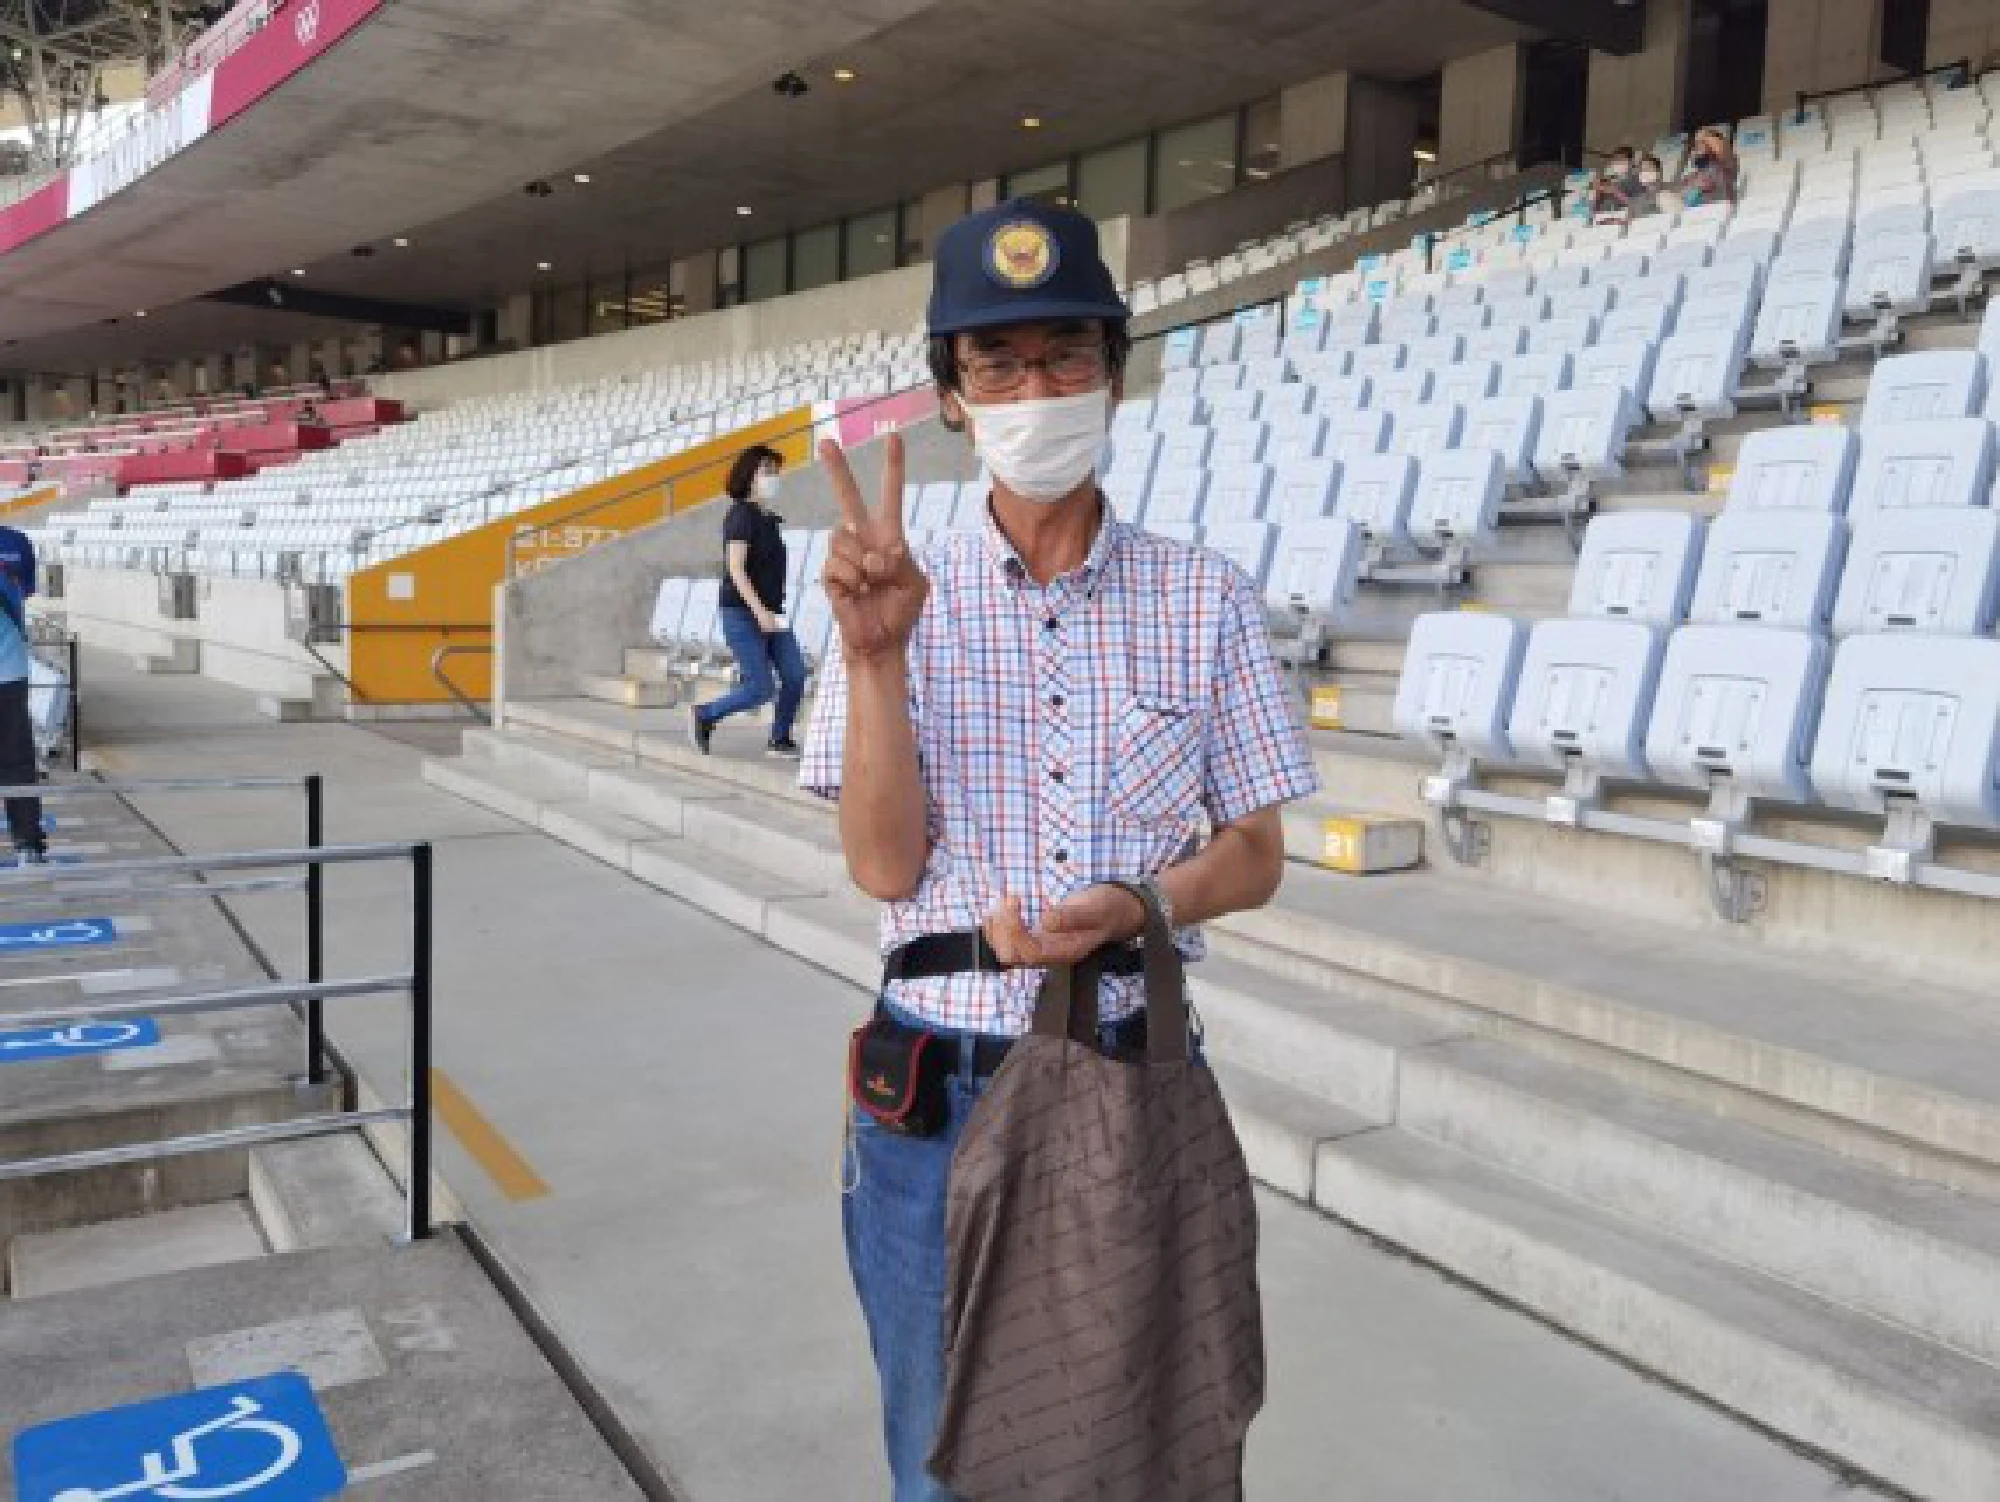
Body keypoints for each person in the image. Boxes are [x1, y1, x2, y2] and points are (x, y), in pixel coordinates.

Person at [800, 199, 1319, 1500]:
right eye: (998, 363)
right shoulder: (888, 587)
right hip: (932, 1085)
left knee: (1139, 1446)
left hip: (1121, 1075)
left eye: (1065, 356)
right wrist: (875, 660)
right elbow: (882, 865)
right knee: (942, 1456)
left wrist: (1139, 899)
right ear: (956, 399)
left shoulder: (1204, 597)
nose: (1037, 388)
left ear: (1115, 375)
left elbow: (1253, 851)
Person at [688, 444, 807, 758]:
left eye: (775, 471)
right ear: (749, 476)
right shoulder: (741, 515)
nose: (774, 477)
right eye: (766, 471)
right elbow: (736, 569)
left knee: (795, 675)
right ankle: (705, 714)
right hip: (742, 613)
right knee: (760, 687)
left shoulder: (768, 519)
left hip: (771, 611)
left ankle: (779, 738)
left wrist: (770, 612)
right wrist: (759, 611)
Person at [0, 536, 46, 866]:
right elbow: (24, 591)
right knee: (16, 760)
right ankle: (27, 842)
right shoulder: (17, 542)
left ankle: (28, 840)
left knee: (17, 759)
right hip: (11, 668)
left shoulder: (17, 542)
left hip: (10, 667)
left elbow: (24, 591)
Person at [1676, 126, 1739, 207]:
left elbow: (1723, 153)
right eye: (1696, 144)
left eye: (1703, 142)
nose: (1698, 146)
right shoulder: (1691, 177)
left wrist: (1705, 136)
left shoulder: (1724, 166)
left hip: (1717, 208)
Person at [1590, 145, 1640, 219]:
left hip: (1623, 213)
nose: (1616, 163)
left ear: (1631, 163)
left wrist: (1614, 191)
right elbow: (1597, 202)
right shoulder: (1613, 176)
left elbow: (1635, 203)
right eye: (1614, 159)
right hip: (1603, 212)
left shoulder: (1634, 179)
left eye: (1622, 160)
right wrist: (1597, 189)